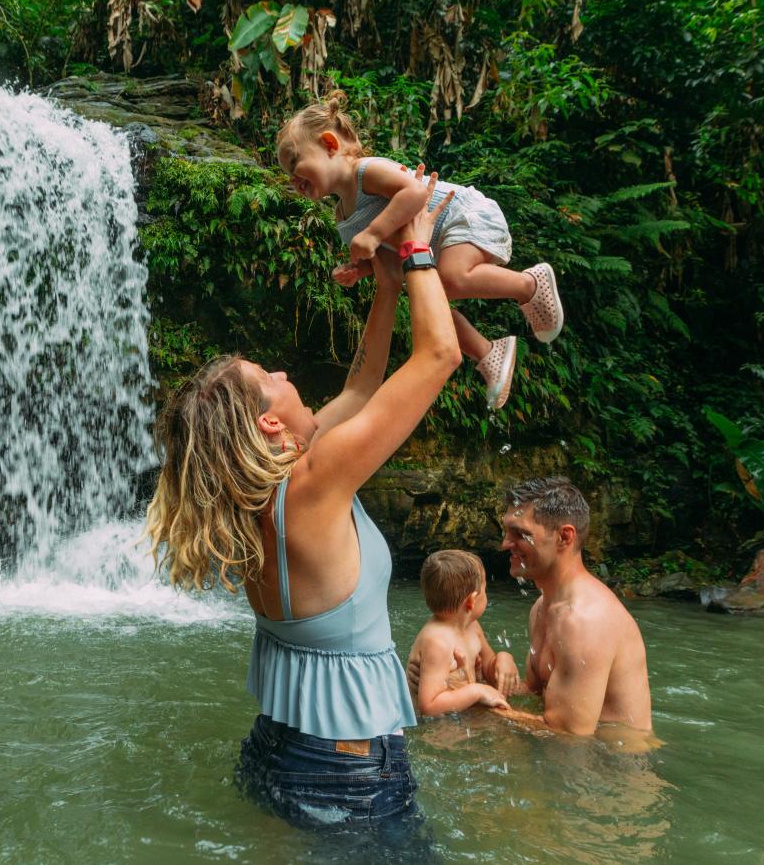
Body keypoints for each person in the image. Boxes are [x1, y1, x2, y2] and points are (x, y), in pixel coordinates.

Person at [144, 168, 461, 836]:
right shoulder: (316, 484)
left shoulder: (259, 498)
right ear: (267, 423)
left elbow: (365, 383)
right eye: (272, 377)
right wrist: (418, 246)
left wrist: (384, 291)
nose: (286, 374)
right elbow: (438, 354)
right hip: (347, 768)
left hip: (276, 751)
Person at [276, 91, 564, 410]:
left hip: (459, 214)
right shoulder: (342, 217)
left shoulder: (366, 171)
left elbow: (414, 192)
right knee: (429, 306)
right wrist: (359, 269)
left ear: (330, 145)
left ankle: (530, 284)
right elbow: (385, 256)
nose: (293, 179)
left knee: (452, 280)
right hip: (432, 243)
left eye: (295, 162)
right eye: (288, 174)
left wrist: (372, 233)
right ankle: (488, 353)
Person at [498, 476, 653, 736]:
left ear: (564, 537)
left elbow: (568, 735)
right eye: (506, 531)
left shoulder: (584, 621)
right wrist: (476, 675)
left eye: (521, 534)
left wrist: (474, 706)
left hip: (617, 768)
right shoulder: (542, 607)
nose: (505, 544)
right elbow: (536, 695)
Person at [407, 549, 519, 716]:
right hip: (440, 731)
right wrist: (476, 691)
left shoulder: (473, 627)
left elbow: (488, 669)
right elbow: (429, 706)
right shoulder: (437, 641)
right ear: (471, 601)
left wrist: (504, 658)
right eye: (485, 590)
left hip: (462, 715)